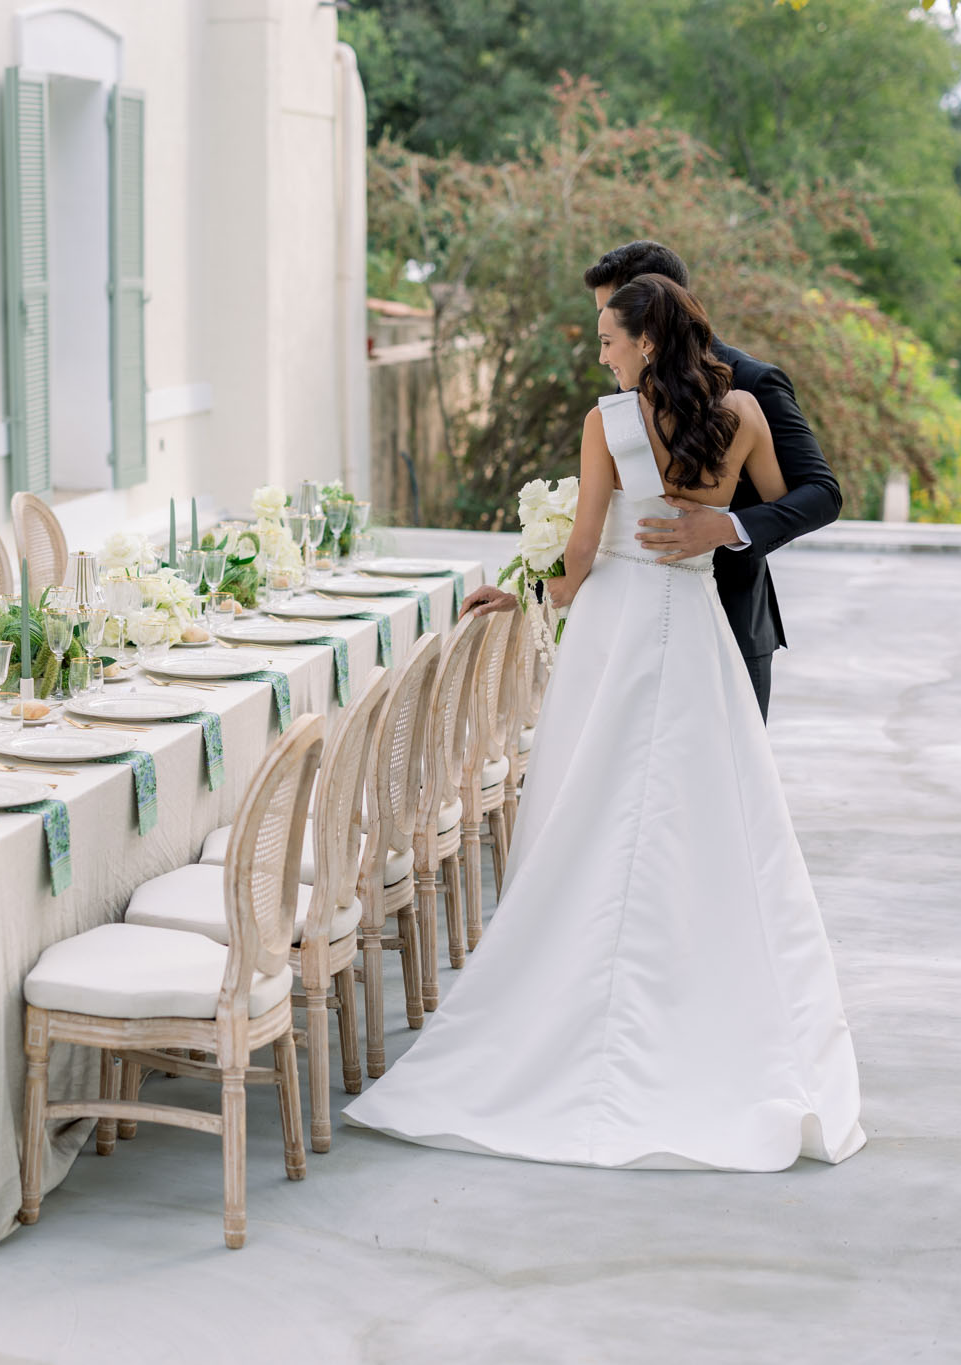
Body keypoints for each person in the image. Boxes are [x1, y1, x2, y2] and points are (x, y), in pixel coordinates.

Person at [343, 273, 866, 1172]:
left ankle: (570, 990)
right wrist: (718, 523)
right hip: (694, 623)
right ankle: (701, 996)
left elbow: (582, 551)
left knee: (590, 800)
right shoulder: (742, 412)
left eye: (608, 337)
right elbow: (778, 496)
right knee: (702, 814)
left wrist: (526, 595)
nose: (601, 353)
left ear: (646, 340)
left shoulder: (608, 422)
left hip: (616, 625)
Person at [459, 241, 841, 720]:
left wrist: (727, 527)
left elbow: (822, 495)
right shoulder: (626, 391)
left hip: (729, 619)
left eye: (613, 319)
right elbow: (611, 530)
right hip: (624, 624)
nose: (605, 348)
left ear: (649, 322)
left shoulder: (753, 384)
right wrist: (526, 590)